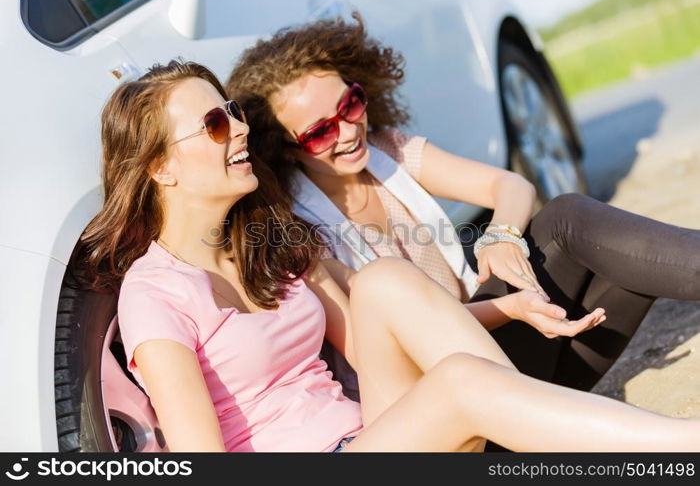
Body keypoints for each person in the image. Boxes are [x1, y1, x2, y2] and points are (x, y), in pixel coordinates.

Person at [79, 60, 700, 453]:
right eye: (214, 124)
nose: (238, 128)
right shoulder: (154, 294)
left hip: (375, 435)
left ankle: (524, 445)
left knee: (382, 281)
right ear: (160, 166)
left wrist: (511, 303)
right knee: (459, 382)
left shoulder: (269, 240)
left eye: (234, 113)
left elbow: (387, 340)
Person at [225, 15, 700, 399]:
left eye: (350, 104)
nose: (348, 130)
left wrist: (501, 235)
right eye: (320, 131)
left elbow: (508, 184)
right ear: (285, 148)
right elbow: (397, 347)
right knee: (568, 221)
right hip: (450, 393)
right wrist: (511, 307)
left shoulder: (389, 150)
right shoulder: (298, 233)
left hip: (505, 359)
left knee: (618, 256)